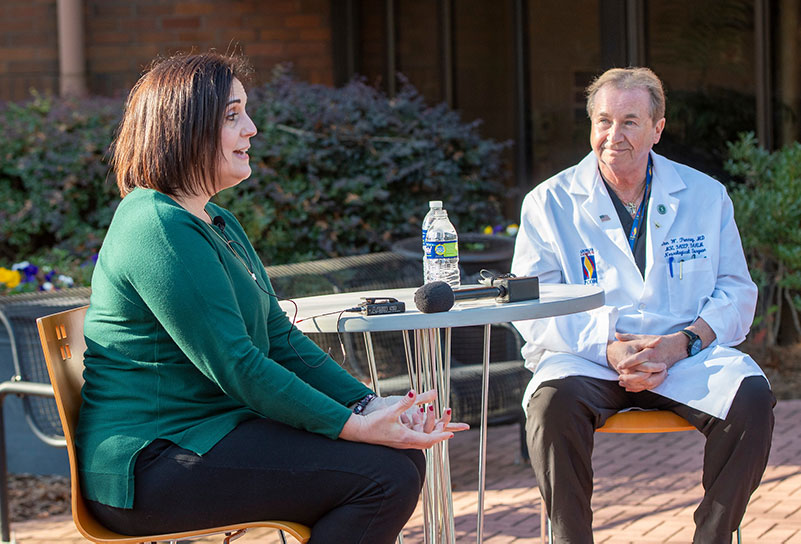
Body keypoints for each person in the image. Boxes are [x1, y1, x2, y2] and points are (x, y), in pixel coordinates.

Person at [76, 52, 467, 544]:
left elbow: (279, 337)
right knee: (381, 475)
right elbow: (237, 363)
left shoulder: (218, 224)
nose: (252, 129)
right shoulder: (156, 226)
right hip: (149, 466)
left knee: (398, 459)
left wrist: (366, 405)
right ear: (185, 128)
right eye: (232, 115)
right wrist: (351, 426)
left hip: (209, 435)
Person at [511, 67, 775, 544]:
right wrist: (608, 349)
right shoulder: (547, 203)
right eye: (604, 121)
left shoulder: (705, 196)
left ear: (658, 128)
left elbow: (736, 291)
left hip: (682, 353)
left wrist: (681, 343)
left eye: (630, 121)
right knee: (552, 406)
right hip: (588, 357)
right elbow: (534, 305)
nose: (614, 135)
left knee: (751, 398)